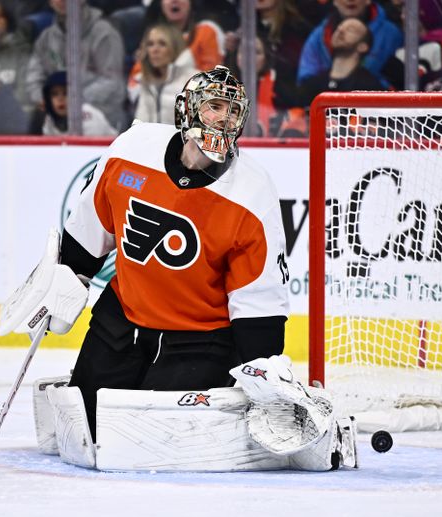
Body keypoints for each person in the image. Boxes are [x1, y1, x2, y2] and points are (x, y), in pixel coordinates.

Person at [56, 66, 288, 440]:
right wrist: (65, 278)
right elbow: (88, 232)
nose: (224, 119)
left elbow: (258, 306)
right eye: (215, 106)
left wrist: (261, 381)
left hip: (198, 341)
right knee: (82, 427)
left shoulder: (252, 192)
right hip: (122, 324)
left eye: (233, 111)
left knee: (159, 438)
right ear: (187, 109)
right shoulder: (132, 149)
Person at [25, 0, 126, 131]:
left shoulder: (104, 33)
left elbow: (113, 82)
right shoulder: (46, 38)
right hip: (58, 117)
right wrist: (46, 100)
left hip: (102, 119)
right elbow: (34, 79)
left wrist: (74, 101)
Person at [297, 0, 403, 88]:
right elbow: (306, 78)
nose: (350, 0)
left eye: (351, 30)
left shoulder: (391, 34)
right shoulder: (318, 36)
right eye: (339, 30)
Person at [301, 18, 384, 100]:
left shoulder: (369, 90)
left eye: (350, 30)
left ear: (362, 47)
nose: (340, 30)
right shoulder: (313, 84)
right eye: (338, 27)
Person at [130, 23, 198, 124]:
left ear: (176, 48)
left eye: (162, 44)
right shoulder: (145, 82)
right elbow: (140, 125)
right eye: (150, 44)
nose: (155, 50)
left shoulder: (195, 82)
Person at [35, 70, 117, 136]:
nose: (60, 99)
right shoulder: (49, 120)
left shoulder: (89, 116)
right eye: (54, 94)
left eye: (66, 93)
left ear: (75, 95)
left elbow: (94, 151)